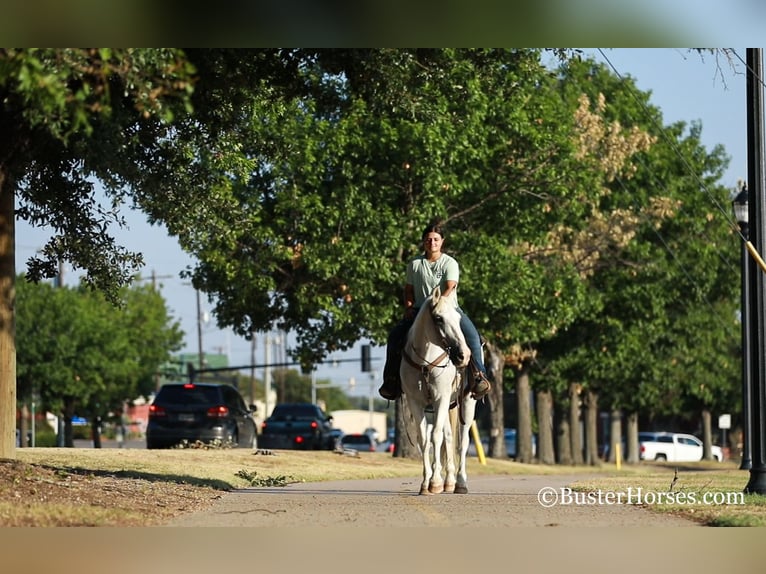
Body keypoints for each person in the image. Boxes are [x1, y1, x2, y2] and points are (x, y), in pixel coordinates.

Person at [378, 220, 492, 402]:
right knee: (394, 337)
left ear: (442, 242)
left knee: (473, 337)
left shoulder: (449, 263)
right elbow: (408, 290)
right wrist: (408, 307)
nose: (432, 243)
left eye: (436, 239)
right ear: (424, 242)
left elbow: (450, 286)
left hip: (448, 309)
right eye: (429, 239)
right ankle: (391, 380)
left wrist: (440, 304)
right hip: (419, 311)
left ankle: (478, 376)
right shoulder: (415, 264)